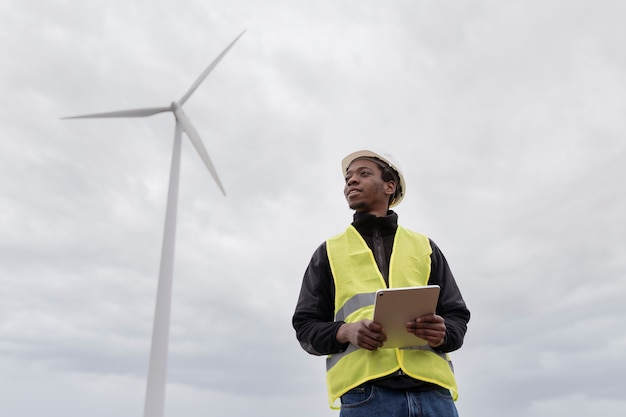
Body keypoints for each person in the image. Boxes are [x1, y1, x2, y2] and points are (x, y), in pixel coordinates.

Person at [292, 150, 470, 416]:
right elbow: (305, 327)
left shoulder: (425, 247)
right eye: (348, 177)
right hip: (366, 396)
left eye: (363, 173)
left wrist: (444, 333)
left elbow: (457, 316)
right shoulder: (328, 252)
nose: (351, 181)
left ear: (390, 186)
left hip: (434, 395)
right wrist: (345, 332)